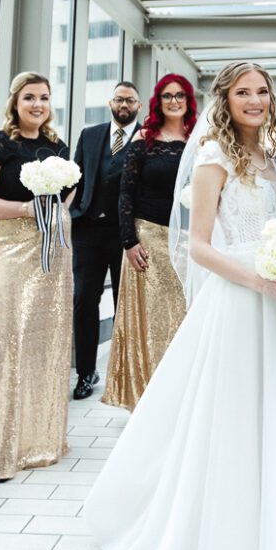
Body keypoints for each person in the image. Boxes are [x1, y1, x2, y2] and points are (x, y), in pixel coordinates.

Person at [84, 61, 276, 550]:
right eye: (243, 92)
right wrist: (259, 282)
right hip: (240, 304)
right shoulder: (212, 159)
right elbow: (197, 247)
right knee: (231, 427)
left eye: (263, 91)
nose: (256, 100)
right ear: (225, 101)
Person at [0, 72, 77, 481]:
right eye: (29, 97)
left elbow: (69, 192)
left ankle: (39, 440)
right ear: (15, 102)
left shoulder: (57, 145)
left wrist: (55, 205)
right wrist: (27, 211)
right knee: (10, 337)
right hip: (11, 248)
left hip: (53, 251)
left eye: (44, 98)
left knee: (46, 339)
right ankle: (1, 446)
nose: (38, 105)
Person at [102, 74, 196, 411]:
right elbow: (125, 192)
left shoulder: (200, 141)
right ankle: (147, 399)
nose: (174, 101)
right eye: (167, 95)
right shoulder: (144, 139)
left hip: (188, 243)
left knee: (183, 318)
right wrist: (129, 241)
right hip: (148, 241)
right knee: (151, 321)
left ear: (188, 100)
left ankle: (181, 397)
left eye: (180, 95)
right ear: (158, 101)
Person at [69, 81, 140, 400]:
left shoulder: (145, 137)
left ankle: (124, 374)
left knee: (125, 305)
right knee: (84, 300)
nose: (124, 105)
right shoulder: (90, 134)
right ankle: (86, 373)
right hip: (88, 231)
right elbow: (75, 178)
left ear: (140, 106)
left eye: (131, 100)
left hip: (128, 236)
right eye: (119, 99)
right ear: (110, 103)